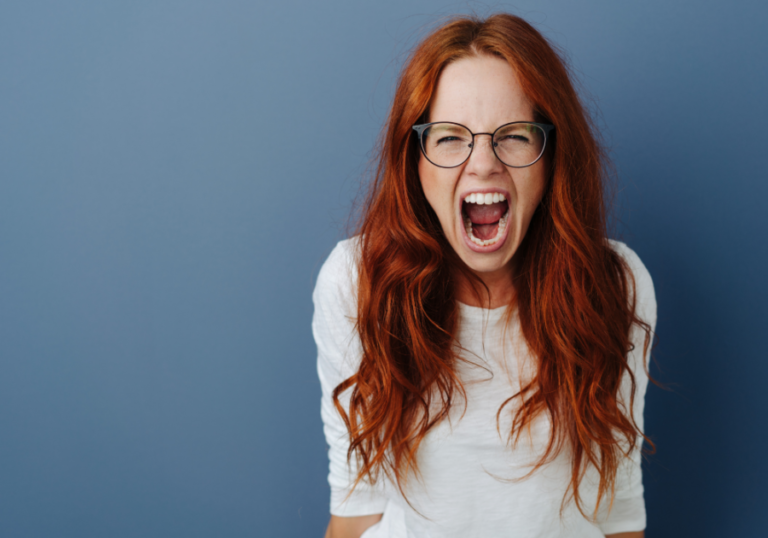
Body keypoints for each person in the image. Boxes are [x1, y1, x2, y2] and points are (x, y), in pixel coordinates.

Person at [313, 13, 656, 538]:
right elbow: (357, 506)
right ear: (415, 161)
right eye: (450, 138)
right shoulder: (358, 283)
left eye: (514, 136)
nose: (483, 164)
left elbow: (618, 509)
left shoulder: (615, 284)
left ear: (551, 158)